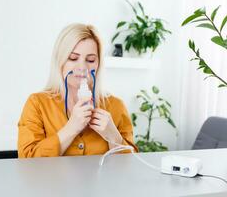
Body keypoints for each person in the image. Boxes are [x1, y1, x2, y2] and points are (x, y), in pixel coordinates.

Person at [18, 23, 138, 158]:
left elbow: (130, 166)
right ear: (60, 60)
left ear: (98, 64)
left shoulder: (116, 106)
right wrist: (71, 129)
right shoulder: (37, 104)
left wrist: (114, 137)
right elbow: (26, 162)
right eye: (73, 58)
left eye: (91, 60)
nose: (82, 67)